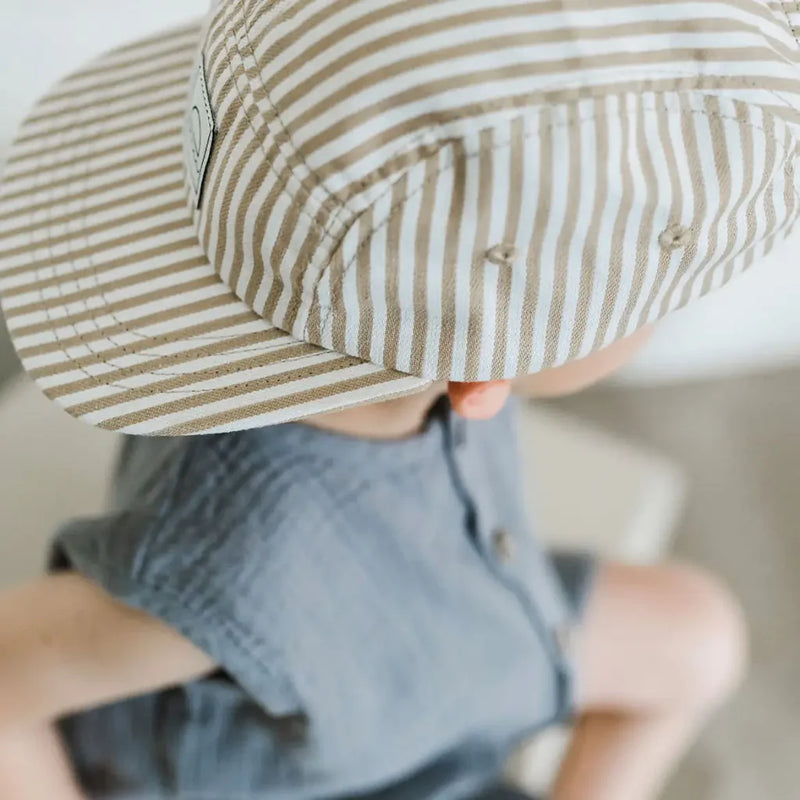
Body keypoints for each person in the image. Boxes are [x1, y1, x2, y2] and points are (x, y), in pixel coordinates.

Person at [3, 0, 793, 797]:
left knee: (700, 636)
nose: (654, 319)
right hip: (330, 767)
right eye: (646, 304)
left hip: (445, 610)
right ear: (483, 375)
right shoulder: (226, 573)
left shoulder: (387, 334)